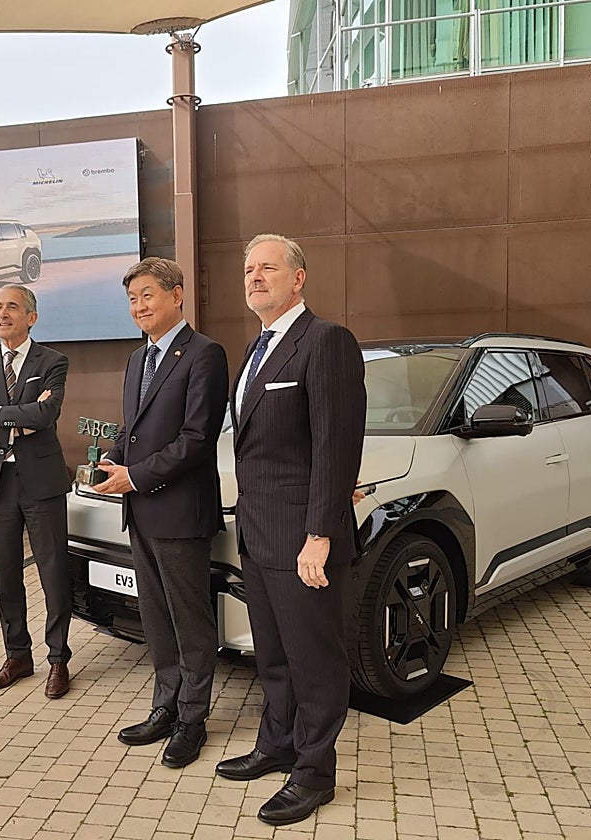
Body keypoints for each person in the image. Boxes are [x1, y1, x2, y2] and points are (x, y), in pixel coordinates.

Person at [215, 234, 365, 826]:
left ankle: (314, 772)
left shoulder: (325, 341)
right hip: (258, 535)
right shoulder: (255, 351)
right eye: (248, 269)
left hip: (305, 540)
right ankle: (276, 744)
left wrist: (321, 533)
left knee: (315, 660)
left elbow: (336, 445)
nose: (254, 277)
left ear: (298, 278)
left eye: (268, 268)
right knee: (273, 657)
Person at [91, 257, 229, 768]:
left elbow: (197, 439)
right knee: (156, 617)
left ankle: (193, 721)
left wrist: (138, 475)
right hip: (141, 512)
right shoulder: (136, 360)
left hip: (180, 511)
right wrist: (115, 462)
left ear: (177, 295)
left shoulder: (204, 355)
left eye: (148, 295)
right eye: (132, 299)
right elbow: (134, 428)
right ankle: (164, 707)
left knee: (190, 620)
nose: (139, 307)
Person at [0, 284, 73, 700]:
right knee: (6, 574)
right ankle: (17, 656)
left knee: (53, 572)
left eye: (12, 307)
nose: (3, 313)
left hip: (41, 484)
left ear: (31, 317)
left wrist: (1, 414)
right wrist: (18, 423)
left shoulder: (53, 361)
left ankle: (58, 659)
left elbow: (47, 413)